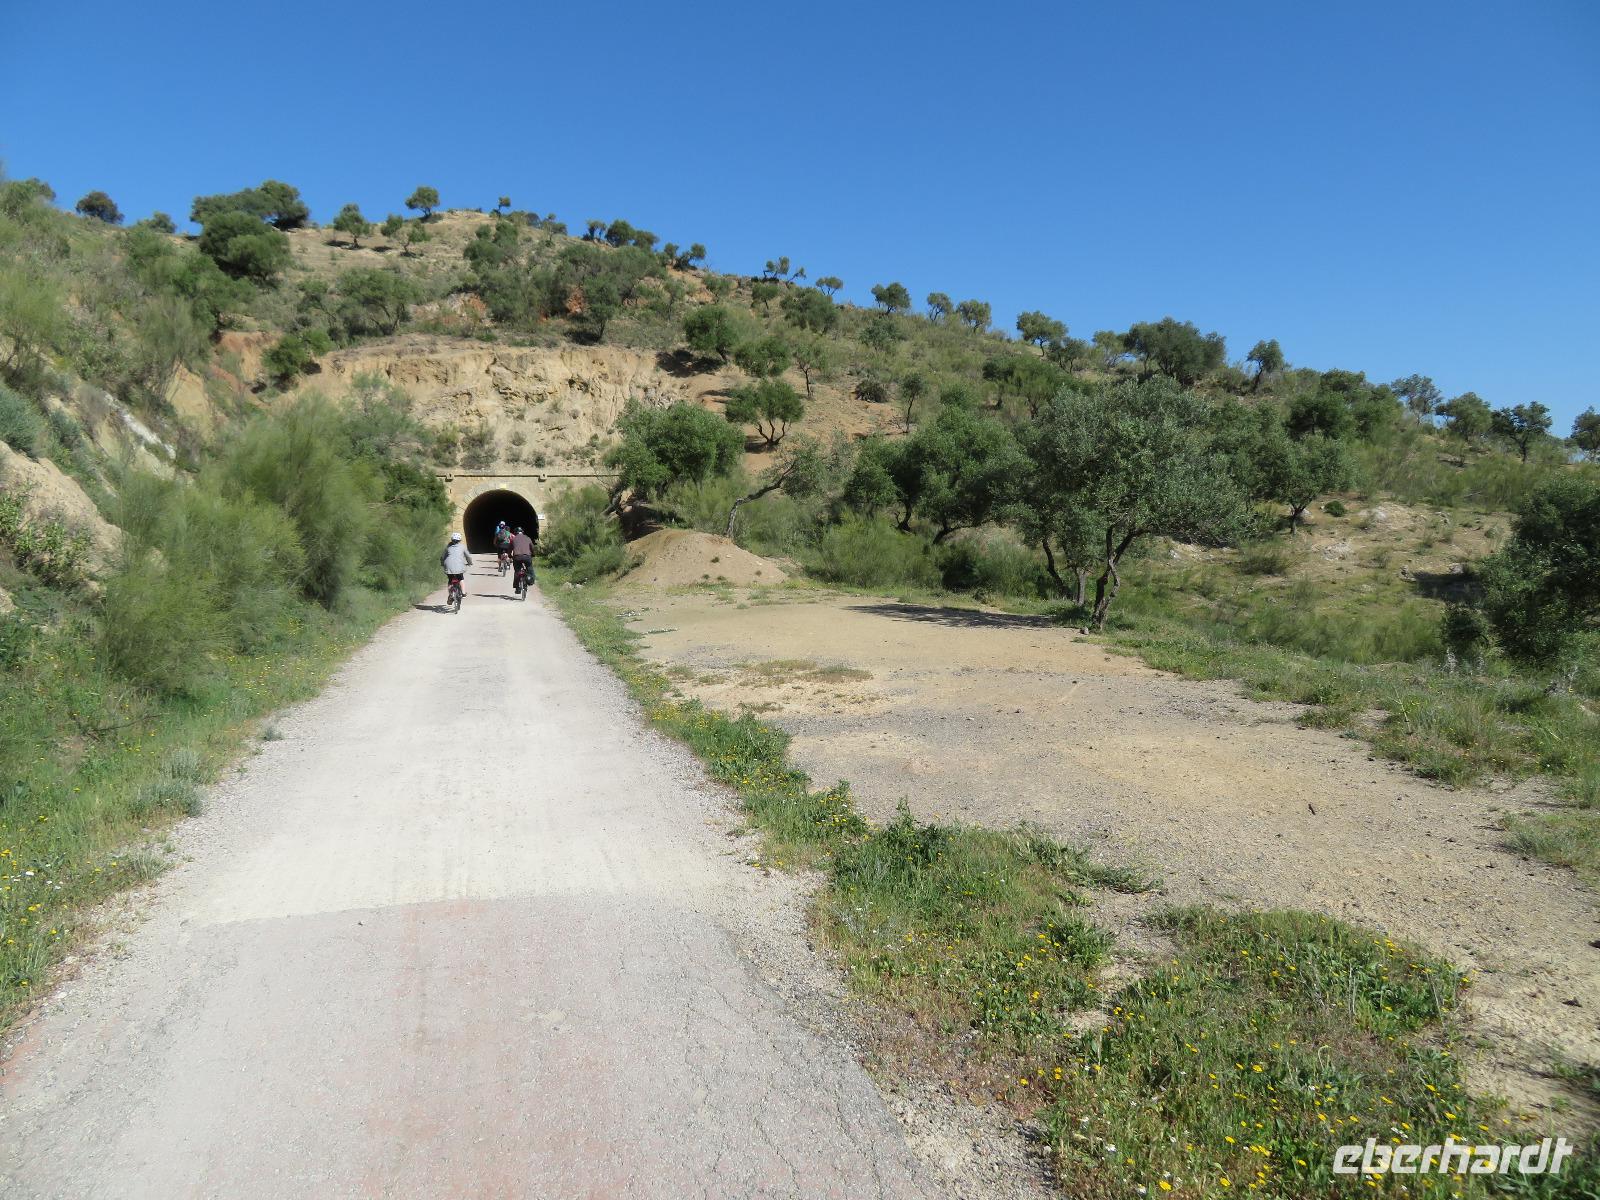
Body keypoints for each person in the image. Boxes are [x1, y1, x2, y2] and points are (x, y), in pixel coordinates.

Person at [440, 531, 472, 597]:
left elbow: (442, 557)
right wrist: (469, 563)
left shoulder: (448, 547)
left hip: (449, 567)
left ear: (452, 539)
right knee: (461, 579)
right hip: (459, 567)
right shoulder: (463, 547)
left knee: (450, 580)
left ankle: (450, 595)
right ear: (460, 540)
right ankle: (463, 593)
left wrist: (442, 564)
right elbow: (468, 556)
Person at [508, 525, 535, 592]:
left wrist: (509, 555)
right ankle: (531, 581)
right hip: (527, 557)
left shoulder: (513, 539)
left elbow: (510, 548)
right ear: (522, 532)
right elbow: (532, 547)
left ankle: (517, 588)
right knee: (530, 569)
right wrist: (533, 554)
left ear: (515, 533)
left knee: (517, 571)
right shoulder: (528, 538)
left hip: (517, 557)